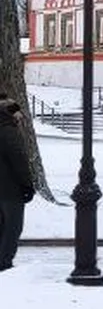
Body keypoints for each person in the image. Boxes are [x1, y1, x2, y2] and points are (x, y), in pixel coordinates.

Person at [0, 96, 35, 270]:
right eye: (19, 114)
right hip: (9, 189)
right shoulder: (8, 131)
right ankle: (4, 263)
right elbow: (19, 160)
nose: (20, 119)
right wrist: (27, 185)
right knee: (13, 227)